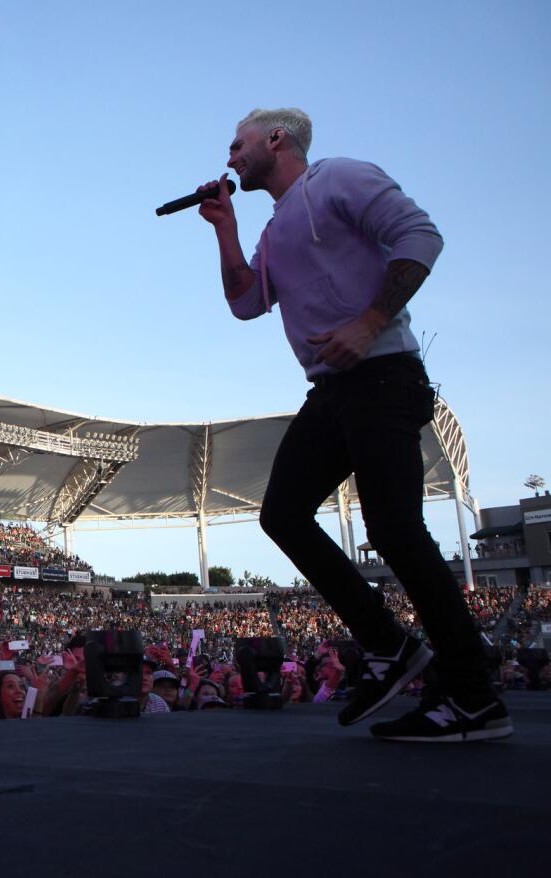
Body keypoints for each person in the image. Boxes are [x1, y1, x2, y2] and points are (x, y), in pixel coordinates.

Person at [198, 107, 510, 742]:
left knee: (394, 529)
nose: (230, 158)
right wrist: (225, 227)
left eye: (239, 145)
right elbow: (246, 302)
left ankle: (474, 694)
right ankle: (389, 645)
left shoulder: (339, 178)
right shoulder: (275, 226)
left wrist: (369, 321)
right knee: (282, 514)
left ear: (276, 140)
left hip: (385, 372)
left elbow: (420, 236)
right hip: (333, 389)